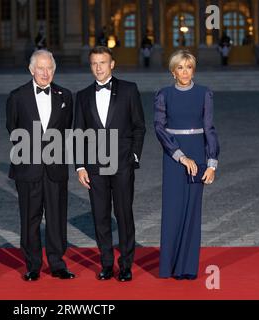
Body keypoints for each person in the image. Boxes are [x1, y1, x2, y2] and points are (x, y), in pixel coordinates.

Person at [74, 46, 146, 282]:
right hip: (94, 166)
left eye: (102, 63)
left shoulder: (129, 90)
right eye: (94, 63)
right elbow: (78, 133)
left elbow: (139, 126)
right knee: (100, 216)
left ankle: (126, 265)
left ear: (112, 64)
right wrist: (80, 166)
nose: (98, 68)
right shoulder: (83, 95)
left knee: (124, 214)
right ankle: (106, 263)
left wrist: (134, 155)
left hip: (123, 163)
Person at [6, 50, 74, 281]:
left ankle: (57, 264)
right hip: (28, 169)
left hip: (56, 168)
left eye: (50, 68)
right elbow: (13, 130)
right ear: (31, 69)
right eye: (41, 68)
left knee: (57, 217)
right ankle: (32, 265)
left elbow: (68, 130)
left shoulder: (66, 95)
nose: (45, 73)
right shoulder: (17, 96)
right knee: (30, 218)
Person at [154, 50, 219, 280]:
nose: (184, 72)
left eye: (188, 67)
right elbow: (160, 129)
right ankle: (168, 266)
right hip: (174, 157)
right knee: (172, 210)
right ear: (173, 71)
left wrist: (211, 164)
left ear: (194, 69)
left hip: (198, 156)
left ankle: (187, 267)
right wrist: (180, 156)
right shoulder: (164, 95)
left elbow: (209, 129)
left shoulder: (204, 94)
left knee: (192, 211)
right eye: (180, 67)